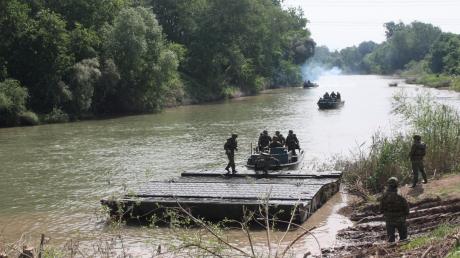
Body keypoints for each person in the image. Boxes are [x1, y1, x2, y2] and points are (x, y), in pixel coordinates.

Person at [380, 177, 409, 243]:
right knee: (404, 239)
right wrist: (406, 214)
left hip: (389, 220)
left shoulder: (384, 195)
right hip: (400, 219)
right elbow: (406, 206)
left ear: (388, 184)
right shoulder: (400, 194)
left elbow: (381, 209)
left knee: (391, 240)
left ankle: (391, 252)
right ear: (396, 184)